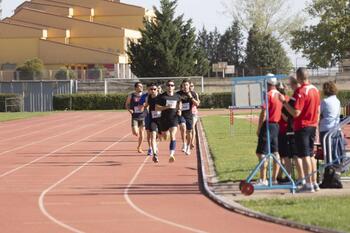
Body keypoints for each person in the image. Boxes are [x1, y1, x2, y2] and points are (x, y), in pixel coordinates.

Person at [280, 68, 321, 193]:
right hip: (313, 125)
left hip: (302, 126)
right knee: (311, 155)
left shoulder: (301, 91)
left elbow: (296, 112)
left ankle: (308, 184)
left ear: (298, 77)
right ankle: (314, 183)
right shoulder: (315, 90)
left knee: (304, 156)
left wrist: (284, 103)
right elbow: (318, 110)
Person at [256, 74, 283, 185]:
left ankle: (263, 179)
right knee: (275, 152)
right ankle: (274, 178)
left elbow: (264, 112)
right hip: (276, 125)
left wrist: (259, 128)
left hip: (268, 125)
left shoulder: (268, 95)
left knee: (261, 153)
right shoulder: (280, 95)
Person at [156, 80, 182, 163]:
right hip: (164, 119)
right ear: (166, 87)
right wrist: (166, 107)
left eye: (172, 85)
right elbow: (157, 108)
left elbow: (179, 103)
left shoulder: (177, 96)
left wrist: (180, 110)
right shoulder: (162, 97)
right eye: (168, 85)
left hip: (173, 119)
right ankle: (162, 135)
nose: (170, 87)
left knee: (173, 135)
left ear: (174, 87)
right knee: (164, 136)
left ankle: (171, 155)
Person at [276, 81, 296, 182]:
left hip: (283, 131)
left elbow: (287, 118)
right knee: (281, 155)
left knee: (285, 155)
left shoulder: (285, 101)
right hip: (281, 130)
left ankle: (288, 176)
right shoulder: (286, 99)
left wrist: (278, 112)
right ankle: (279, 175)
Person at [177, 79, 200, 155]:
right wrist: (179, 109)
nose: (185, 86)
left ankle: (188, 147)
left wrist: (191, 97)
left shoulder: (193, 94)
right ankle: (184, 143)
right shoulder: (178, 94)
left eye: (186, 85)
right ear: (182, 86)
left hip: (189, 115)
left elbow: (197, 104)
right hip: (181, 114)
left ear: (189, 86)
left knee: (189, 131)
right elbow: (178, 102)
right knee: (183, 127)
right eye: (184, 85)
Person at [319, 81, 341, 156]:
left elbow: (318, 114)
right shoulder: (337, 101)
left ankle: (329, 167)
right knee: (335, 152)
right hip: (336, 129)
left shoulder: (325, 101)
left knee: (327, 153)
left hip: (326, 130)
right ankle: (336, 166)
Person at [125, 82, 146, 153]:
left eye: (142, 86)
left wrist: (144, 105)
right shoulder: (131, 95)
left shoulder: (145, 95)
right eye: (140, 86)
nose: (141, 87)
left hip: (143, 116)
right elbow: (127, 104)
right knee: (135, 132)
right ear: (136, 88)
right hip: (135, 116)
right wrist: (129, 110)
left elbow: (148, 104)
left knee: (142, 133)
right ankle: (136, 134)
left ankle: (139, 147)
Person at [144, 83, 161, 163]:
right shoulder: (148, 97)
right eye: (151, 89)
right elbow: (146, 105)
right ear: (149, 90)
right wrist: (143, 107)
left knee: (163, 136)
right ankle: (155, 154)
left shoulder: (161, 97)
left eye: (154, 89)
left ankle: (159, 135)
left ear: (157, 89)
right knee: (152, 137)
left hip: (161, 120)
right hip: (153, 119)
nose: (153, 91)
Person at [190, 81, 200, 149]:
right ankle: (188, 138)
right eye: (190, 86)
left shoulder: (195, 94)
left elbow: (198, 102)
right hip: (186, 113)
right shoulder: (184, 94)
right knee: (188, 128)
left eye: (192, 86)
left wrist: (197, 102)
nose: (191, 87)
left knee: (192, 126)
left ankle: (192, 142)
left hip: (194, 113)